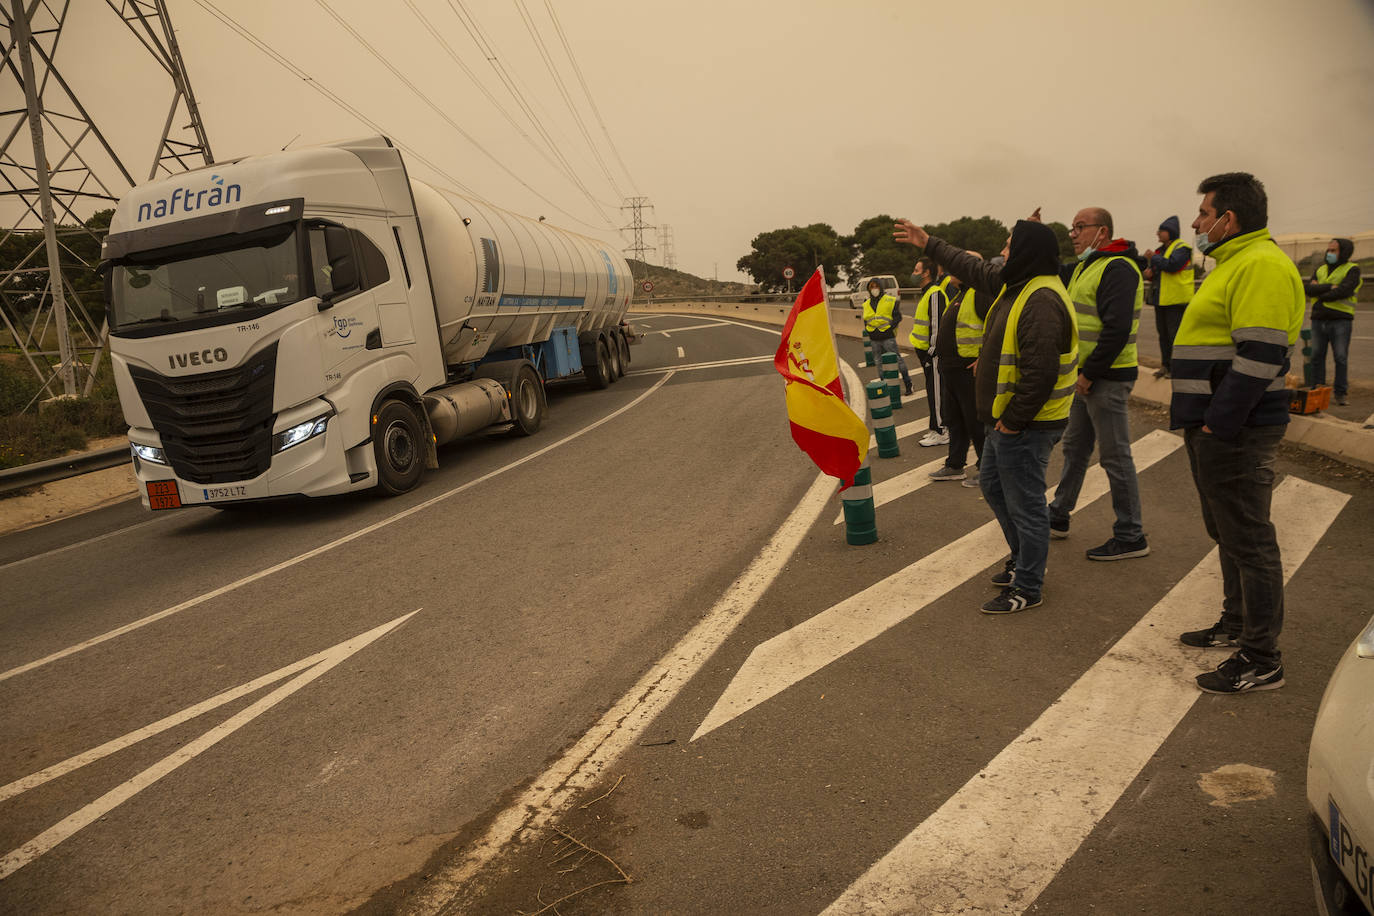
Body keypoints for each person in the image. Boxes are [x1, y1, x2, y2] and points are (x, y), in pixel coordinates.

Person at [895, 217, 1077, 614]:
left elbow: (1041, 372)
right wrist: (929, 243)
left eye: (1011, 246)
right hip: (1006, 421)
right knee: (994, 487)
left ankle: (1028, 586)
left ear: (1027, 253)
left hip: (1026, 424)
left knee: (1026, 504)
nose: (1004, 252)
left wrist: (1013, 419)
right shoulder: (1019, 285)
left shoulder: (1042, 300)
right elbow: (972, 266)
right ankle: (1021, 559)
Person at [1172, 172, 1304, 694]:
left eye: (1204, 214)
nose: (1197, 223)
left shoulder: (1261, 265)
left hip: (1236, 430)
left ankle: (1262, 656)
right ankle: (1235, 623)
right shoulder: (1234, 264)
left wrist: (1218, 422)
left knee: (1250, 540)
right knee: (1227, 532)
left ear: (1229, 218)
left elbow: (1262, 353)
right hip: (1215, 426)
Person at [1042, 207, 1149, 561]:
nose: (1072, 234)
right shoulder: (1089, 266)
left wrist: (1089, 374)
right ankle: (1058, 514)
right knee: (1075, 448)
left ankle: (1131, 534)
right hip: (1084, 377)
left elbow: (1116, 330)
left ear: (1102, 231)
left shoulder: (1118, 268)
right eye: (1072, 227)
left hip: (1106, 379)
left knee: (1116, 457)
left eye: (1079, 227)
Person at [927, 252, 986, 486]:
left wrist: (984, 358)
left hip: (967, 369)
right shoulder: (961, 294)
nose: (951, 269)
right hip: (951, 369)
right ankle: (955, 464)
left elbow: (996, 327)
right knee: (955, 420)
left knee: (975, 421)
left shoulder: (981, 294)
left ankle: (986, 468)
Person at [1304, 237, 1362, 406]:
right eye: (1328, 250)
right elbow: (1309, 289)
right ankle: (1317, 389)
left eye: (1333, 250)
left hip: (1340, 320)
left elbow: (1345, 290)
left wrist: (1320, 292)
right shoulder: (1320, 269)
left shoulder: (1352, 269)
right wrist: (1330, 287)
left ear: (1343, 252)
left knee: (1341, 357)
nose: (1329, 253)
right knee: (1316, 357)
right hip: (1318, 319)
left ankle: (1340, 393)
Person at [1143, 216, 1194, 378]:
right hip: (1162, 300)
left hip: (1176, 300)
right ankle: (1165, 366)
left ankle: (1177, 368)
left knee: (1175, 336)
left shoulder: (1182, 248)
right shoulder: (1161, 251)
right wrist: (1149, 274)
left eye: (1161, 230)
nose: (1158, 233)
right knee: (1163, 335)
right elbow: (1160, 272)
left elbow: (1173, 266)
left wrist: (1154, 258)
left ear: (1170, 232)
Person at [909, 257, 950, 445]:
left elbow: (937, 326)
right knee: (932, 392)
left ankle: (942, 431)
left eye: (917, 271)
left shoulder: (935, 294)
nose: (914, 274)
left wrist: (931, 353)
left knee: (937, 393)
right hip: (925, 353)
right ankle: (935, 428)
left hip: (932, 354)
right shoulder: (927, 293)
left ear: (926, 273)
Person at [861, 278, 914, 395]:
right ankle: (885, 389)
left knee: (898, 361)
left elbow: (898, 317)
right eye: (872, 287)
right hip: (874, 339)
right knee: (879, 364)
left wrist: (890, 328)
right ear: (869, 289)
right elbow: (866, 320)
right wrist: (869, 332)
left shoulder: (890, 300)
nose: (874, 289)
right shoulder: (866, 304)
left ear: (880, 287)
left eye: (876, 286)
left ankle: (908, 384)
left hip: (888, 338)